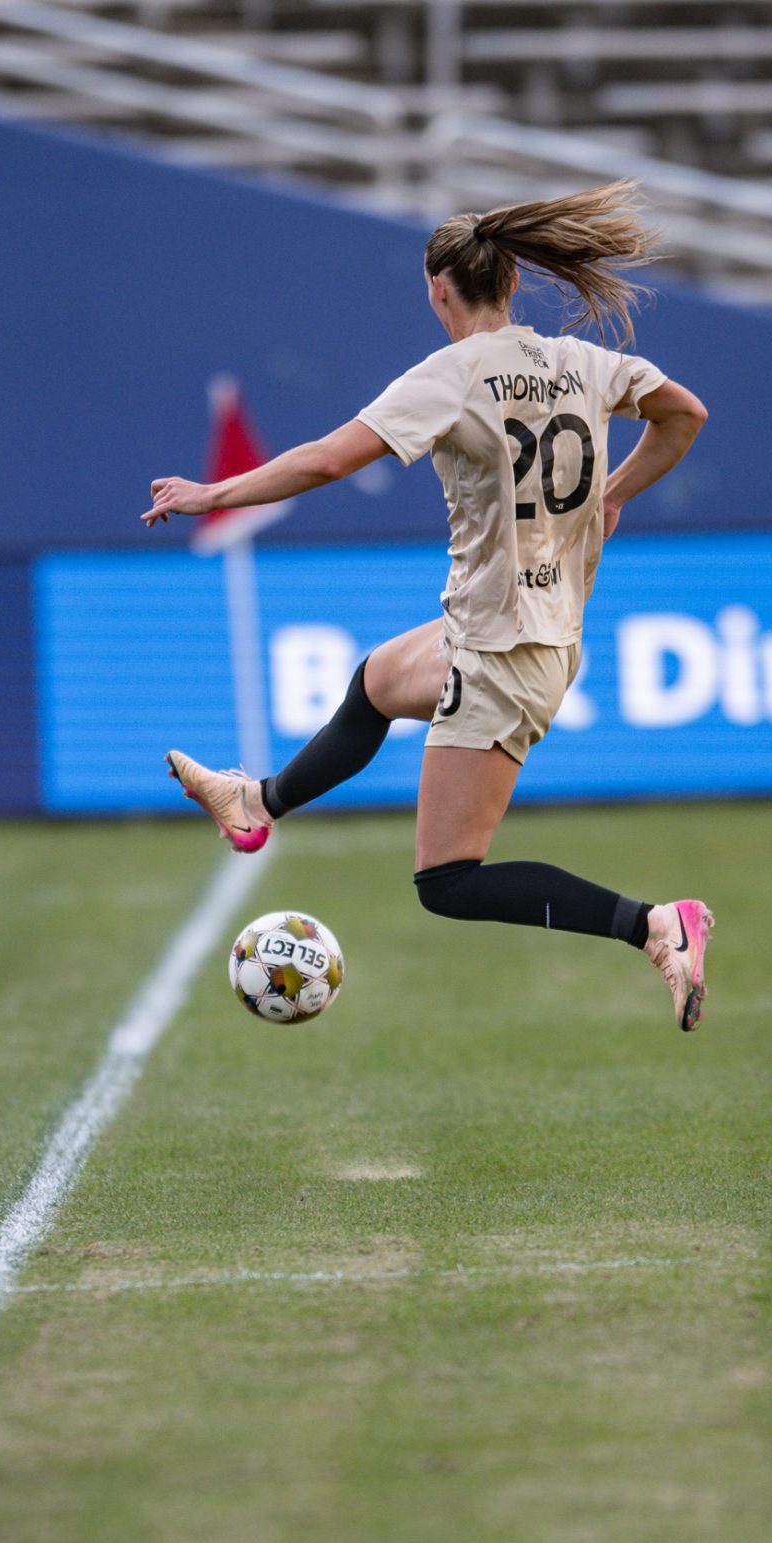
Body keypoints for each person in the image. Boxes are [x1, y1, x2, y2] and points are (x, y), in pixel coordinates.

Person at [145, 182, 720, 1029]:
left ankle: (653, 925)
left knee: (447, 881)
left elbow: (324, 460)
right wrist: (612, 494)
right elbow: (685, 414)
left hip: (501, 655)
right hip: (515, 632)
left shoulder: (451, 375)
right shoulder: (584, 363)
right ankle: (255, 802)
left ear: (437, 290)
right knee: (376, 682)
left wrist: (211, 493)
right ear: (514, 285)